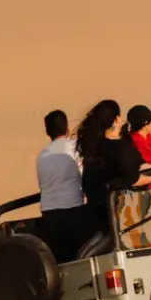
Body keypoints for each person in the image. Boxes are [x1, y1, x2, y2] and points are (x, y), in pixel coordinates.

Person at [75, 99, 151, 229]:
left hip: (96, 210)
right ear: (116, 119)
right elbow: (132, 178)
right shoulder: (119, 148)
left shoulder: (94, 146)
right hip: (118, 214)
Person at [36, 109, 99, 262]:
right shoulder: (75, 147)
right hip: (73, 211)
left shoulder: (42, 155)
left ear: (47, 131)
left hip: (49, 214)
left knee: (62, 261)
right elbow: (86, 176)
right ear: (67, 128)